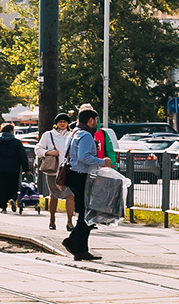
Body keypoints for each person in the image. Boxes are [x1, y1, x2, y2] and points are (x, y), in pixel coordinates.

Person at [61, 108, 111, 261]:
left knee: (85, 212)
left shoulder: (74, 133)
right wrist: (103, 162)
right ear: (91, 120)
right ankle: (76, 245)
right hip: (81, 176)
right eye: (96, 121)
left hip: (74, 175)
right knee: (88, 213)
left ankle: (77, 246)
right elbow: (84, 157)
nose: (97, 124)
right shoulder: (86, 135)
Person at [35, 113, 75, 231]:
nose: (62, 124)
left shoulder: (72, 135)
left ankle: (69, 222)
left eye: (64, 121)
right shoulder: (49, 135)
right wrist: (49, 152)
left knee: (70, 195)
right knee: (54, 196)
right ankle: (52, 220)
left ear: (68, 123)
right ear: (56, 123)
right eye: (60, 121)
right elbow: (38, 149)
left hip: (68, 170)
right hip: (53, 170)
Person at [0, 123, 31, 213]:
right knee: (13, 185)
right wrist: (26, 169)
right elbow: (23, 157)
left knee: (2, 186)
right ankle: (12, 198)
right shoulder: (16, 142)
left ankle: (3, 206)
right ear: (11, 131)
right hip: (13, 167)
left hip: (0, 167)